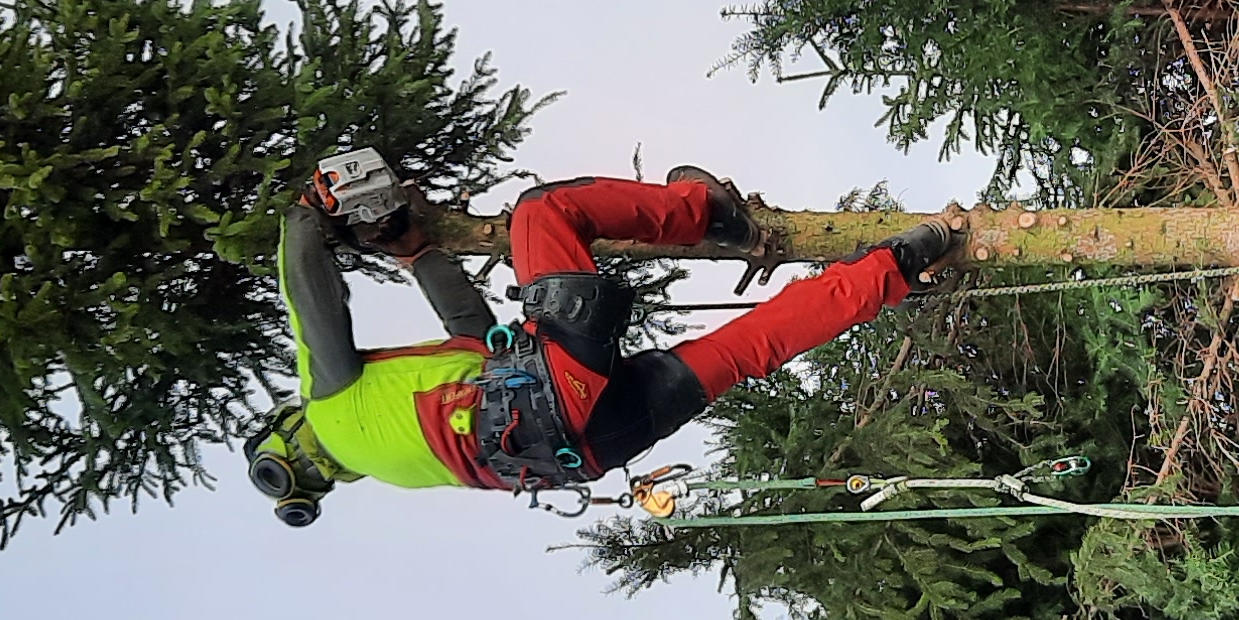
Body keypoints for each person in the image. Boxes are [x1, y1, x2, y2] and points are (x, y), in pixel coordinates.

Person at [249, 167, 963, 522]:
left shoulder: (395, 460)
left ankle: (902, 264)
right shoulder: (333, 407)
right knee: (545, 210)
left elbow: (473, 340)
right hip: (553, 394)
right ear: (291, 431)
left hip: (583, 451)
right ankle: (707, 214)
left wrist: (417, 255)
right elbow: (310, 294)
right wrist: (308, 212)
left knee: (749, 348)